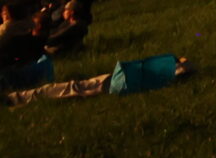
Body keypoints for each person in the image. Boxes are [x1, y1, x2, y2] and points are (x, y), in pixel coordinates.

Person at [7, 53, 193, 106]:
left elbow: (185, 66)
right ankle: (18, 98)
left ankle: (17, 98)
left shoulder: (166, 71)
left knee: (70, 88)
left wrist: (181, 62)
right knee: (71, 88)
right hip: (115, 80)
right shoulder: (164, 74)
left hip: (114, 83)